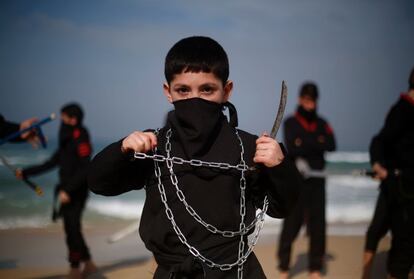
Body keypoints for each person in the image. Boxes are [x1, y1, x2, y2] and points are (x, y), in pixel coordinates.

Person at [88, 36, 302, 279]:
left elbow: (282, 207)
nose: (195, 100)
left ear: (226, 91)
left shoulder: (249, 148)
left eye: (207, 90)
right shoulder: (153, 146)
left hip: (236, 272)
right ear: (168, 92)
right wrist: (121, 150)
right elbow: (98, 183)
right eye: (183, 90)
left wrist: (280, 166)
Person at [15, 103, 96, 279]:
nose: (61, 122)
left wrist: (68, 190)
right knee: (72, 228)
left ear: (73, 119)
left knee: (72, 229)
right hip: (66, 191)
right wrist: (26, 172)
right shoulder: (66, 140)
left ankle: (75, 268)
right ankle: (89, 263)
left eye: (64, 118)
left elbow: (85, 168)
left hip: (77, 191)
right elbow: (51, 163)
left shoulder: (80, 136)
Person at [277, 82, 336, 279]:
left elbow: (331, 144)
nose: (310, 104)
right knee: (291, 224)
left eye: (312, 101)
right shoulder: (291, 122)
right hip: (297, 183)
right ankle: (284, 267)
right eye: (306, 100)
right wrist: (316, 142)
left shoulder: (323, 123)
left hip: (318, 183)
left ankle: (315, 268)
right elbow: (292, 149)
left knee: (318, 226)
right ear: (300, 99)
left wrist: (305, 141)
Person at [362, 67, 414, 279]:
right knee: (378, 232)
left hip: (408, 187)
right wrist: (378, 166)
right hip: (395, 185)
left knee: (405, 242)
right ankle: (365, 275)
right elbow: (379, 141)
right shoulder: (402, 109)